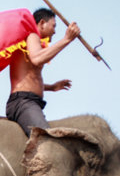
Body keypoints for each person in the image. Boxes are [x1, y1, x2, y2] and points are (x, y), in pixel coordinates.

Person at [6, 8, 80, 136]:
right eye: (53, 26)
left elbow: (28, 78)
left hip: (28, 102)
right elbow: (37, 59)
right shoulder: (32, 35)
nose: (55, 31)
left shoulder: (33, 42)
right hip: (24, 102)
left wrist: (52, 87)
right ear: (41, 23)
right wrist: (67, 39)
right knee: (46, 141)